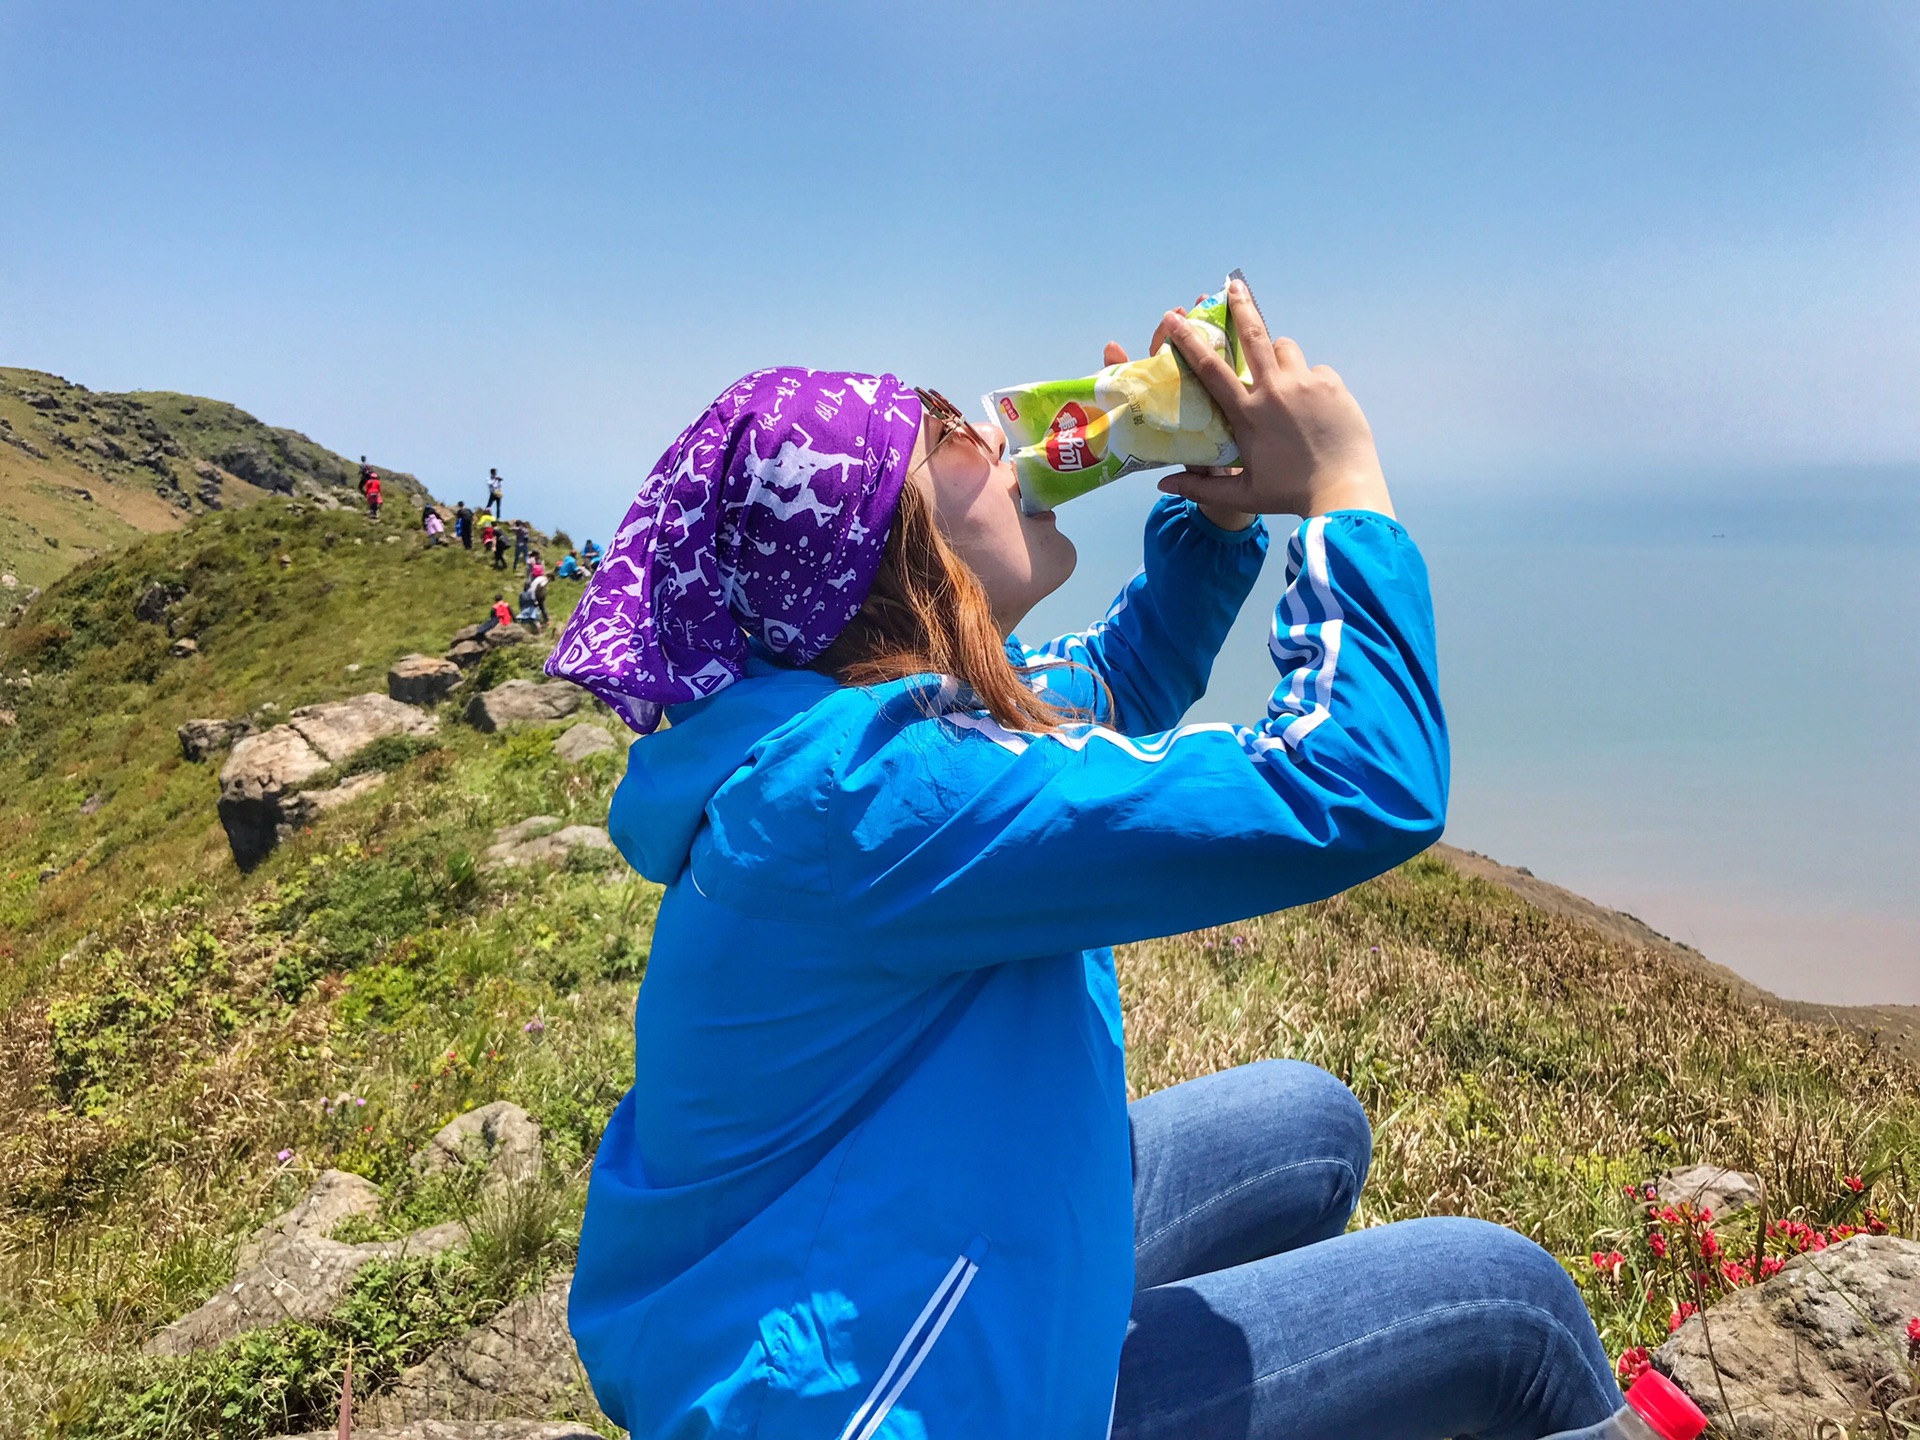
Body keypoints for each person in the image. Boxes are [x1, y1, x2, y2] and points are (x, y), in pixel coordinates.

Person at [549, 291, 1621, 1440]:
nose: (997, 437)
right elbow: (1357, 781)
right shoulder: (867, 795)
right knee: (1514, 1309)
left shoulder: (826, 734)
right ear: (875, 552)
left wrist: (1211, 522)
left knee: (1307, 1123)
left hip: (872, 1247)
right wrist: (1342, 488)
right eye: (951, 437)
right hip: (888, 1400)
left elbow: (1114, 681)